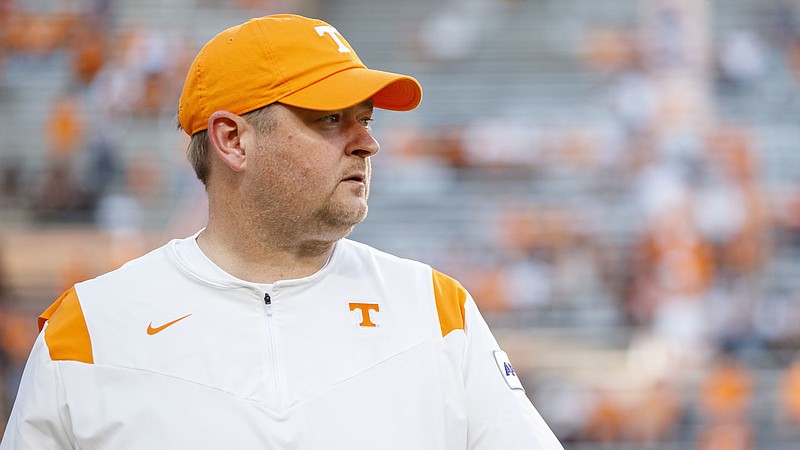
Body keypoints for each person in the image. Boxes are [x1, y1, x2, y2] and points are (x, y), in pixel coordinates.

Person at [0, 14, 563, 449]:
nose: (367, 142)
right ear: (233, 140)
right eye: (328, 118)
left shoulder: (437, 311)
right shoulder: (89, 331)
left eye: (365, 118)